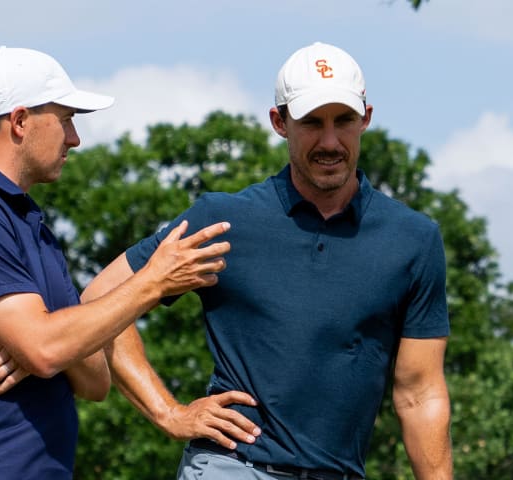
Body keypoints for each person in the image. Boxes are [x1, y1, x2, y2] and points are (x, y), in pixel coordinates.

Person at [81, 41, 453, 479]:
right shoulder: (223, 220)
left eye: (344, 121)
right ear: (279, 122)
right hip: (232, 466)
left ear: (366, 118)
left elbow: (420, 394)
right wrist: (167, 411)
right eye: (312, 122)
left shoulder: (413, 239)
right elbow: (101, 297)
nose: (330, 141)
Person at [0, 46, 232, 480]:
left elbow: (94, 381)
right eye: (65, 119)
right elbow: (48, 350)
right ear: (20, 121)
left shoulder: (27, 222)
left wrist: (41, 340)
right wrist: (153, 282)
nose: (75, 138)